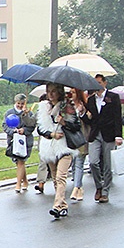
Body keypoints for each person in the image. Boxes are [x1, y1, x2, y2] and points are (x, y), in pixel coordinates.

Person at [36, 83, 80, 218]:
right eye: (49, 91)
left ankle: (56, 206)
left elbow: (76, 126)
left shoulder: (67, 107)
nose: (51, 94)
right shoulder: (43, 107)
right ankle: (62, 205)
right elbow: (40, 128)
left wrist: (64, 123)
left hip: (65, 146)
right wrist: (51, 134)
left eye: (54, 91)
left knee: (61, 177)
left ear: (59, 92)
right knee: (55, 178)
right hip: (50, 146)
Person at [81, 74, 123, 203]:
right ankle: (98, 186)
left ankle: (105, 191)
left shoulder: (113, 97)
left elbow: (117, 117)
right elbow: (89, 119)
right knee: (93, 162)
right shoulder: (91, 99)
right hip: (95, 134)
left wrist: (118, 135)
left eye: (99, 83)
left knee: (107, 164)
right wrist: (83, 113)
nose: (97, 86)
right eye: (95, 83)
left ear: (105, 83)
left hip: (109, 134)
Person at [3, 93, 35, 193]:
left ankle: (18, 184)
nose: (20, 106)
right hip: (13, 140)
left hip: (25, 141)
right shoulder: (9, 112)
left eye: (22, 103)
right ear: (15, 102)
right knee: (18, 162)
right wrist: (13, 131)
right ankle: (25, 180)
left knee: (21, 161)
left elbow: (32, 126)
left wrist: (24, 130)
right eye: (18, 103)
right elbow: (5, 126)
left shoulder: (29, 113)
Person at [67, 88, 89, 202]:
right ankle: (79, 187)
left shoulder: (84, 105)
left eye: (74, 92)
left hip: (82, 138)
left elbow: (90, 119)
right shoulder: (68, 106)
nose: (72, 95)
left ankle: (76, 188)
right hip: (71, 139)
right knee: (73, 164)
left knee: (79, 163)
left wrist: (82, 113)